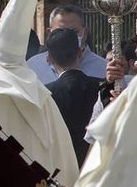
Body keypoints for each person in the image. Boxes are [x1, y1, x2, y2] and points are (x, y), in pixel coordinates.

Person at [44, 28, 103, 166]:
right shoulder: (101, 87)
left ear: (49, 58)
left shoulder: (46, 93)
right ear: (80, 52)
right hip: (94, 161)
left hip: (61, 163)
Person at [26, 4, 109, 83]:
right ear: (49, 33)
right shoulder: (33, 66)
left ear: (85, 33)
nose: (68, 37)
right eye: (61, 31)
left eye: (74, 32)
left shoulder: (104, 69)